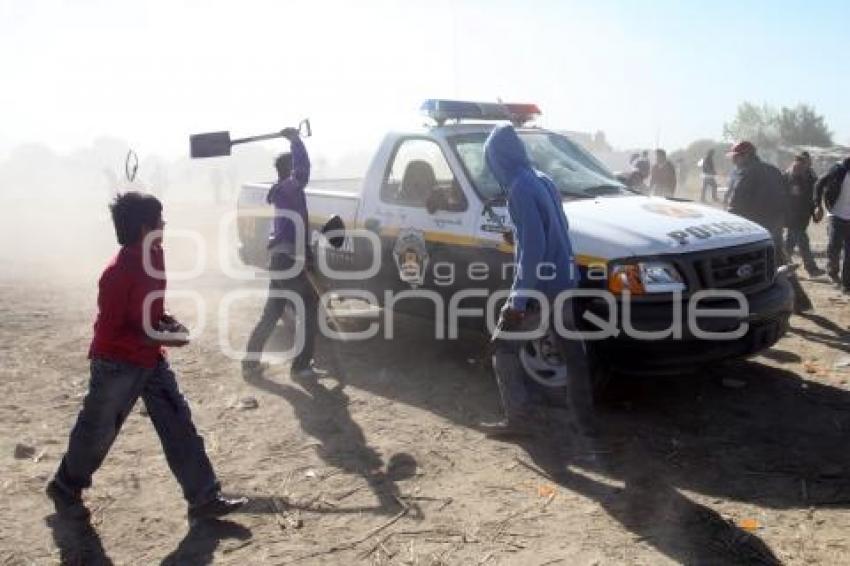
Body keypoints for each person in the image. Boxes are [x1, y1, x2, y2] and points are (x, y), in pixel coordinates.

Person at [47, 192, 245, 523]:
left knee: (179, 424)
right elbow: (110, 332)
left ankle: (204, 498)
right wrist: (156, 335)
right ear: (144, 228)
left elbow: (151, 308)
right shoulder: (115, 274)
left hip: (150, 358)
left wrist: (167, 322)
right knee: (98, 430)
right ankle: (65, 486)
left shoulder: (155, 255)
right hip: (116, 364)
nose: (164, 225)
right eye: (160, 221)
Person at [479, 124, 593, 437]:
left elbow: (534, 248)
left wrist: (517, 301)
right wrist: (518, 233)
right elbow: (559, 226)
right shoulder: (543, 179)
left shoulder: (518, 187)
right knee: (574, 353)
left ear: (497, 158)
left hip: (541, 288)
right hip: (565, 280)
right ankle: (585, 421)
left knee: (504, 350)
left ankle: (520, 421)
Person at [243, 128, 324, 378]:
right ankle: (301, 366)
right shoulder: (290, 188)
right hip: (286, 260)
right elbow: (303, 169)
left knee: (273, 312)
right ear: (289, 171)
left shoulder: (285, 193)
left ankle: (250, 362)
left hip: (280, 259)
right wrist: (295, 141)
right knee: (309, 307)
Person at [727, 141, 813, 312]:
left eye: (736, 157)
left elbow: (735, 202)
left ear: (745, 156)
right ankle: (800, 302)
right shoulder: (772, 169)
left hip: (750, 227)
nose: (733, 160)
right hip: (773, 224)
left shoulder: (745, 173)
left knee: (746, 266)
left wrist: (728, 222)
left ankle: (751, 305)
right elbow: (786, 196)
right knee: (779, 261)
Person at [784, 152, 824, 277]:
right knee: (803, 241)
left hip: (803, 214)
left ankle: (780, 265)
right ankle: (811, 268)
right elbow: (791, 196)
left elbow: (813, 194)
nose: (804, 164)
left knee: (789, 243)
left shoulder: (810, 174)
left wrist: (815, 210)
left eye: (806, 162)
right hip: (794, 215)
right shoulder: (791, 175)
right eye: (801, 161)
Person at [814, 156, 850, 293]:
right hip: (836, 215)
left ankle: (846, 284)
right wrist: (818, 206)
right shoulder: (838, 169)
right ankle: (833, 272)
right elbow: (818, 184)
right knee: (834, 247)